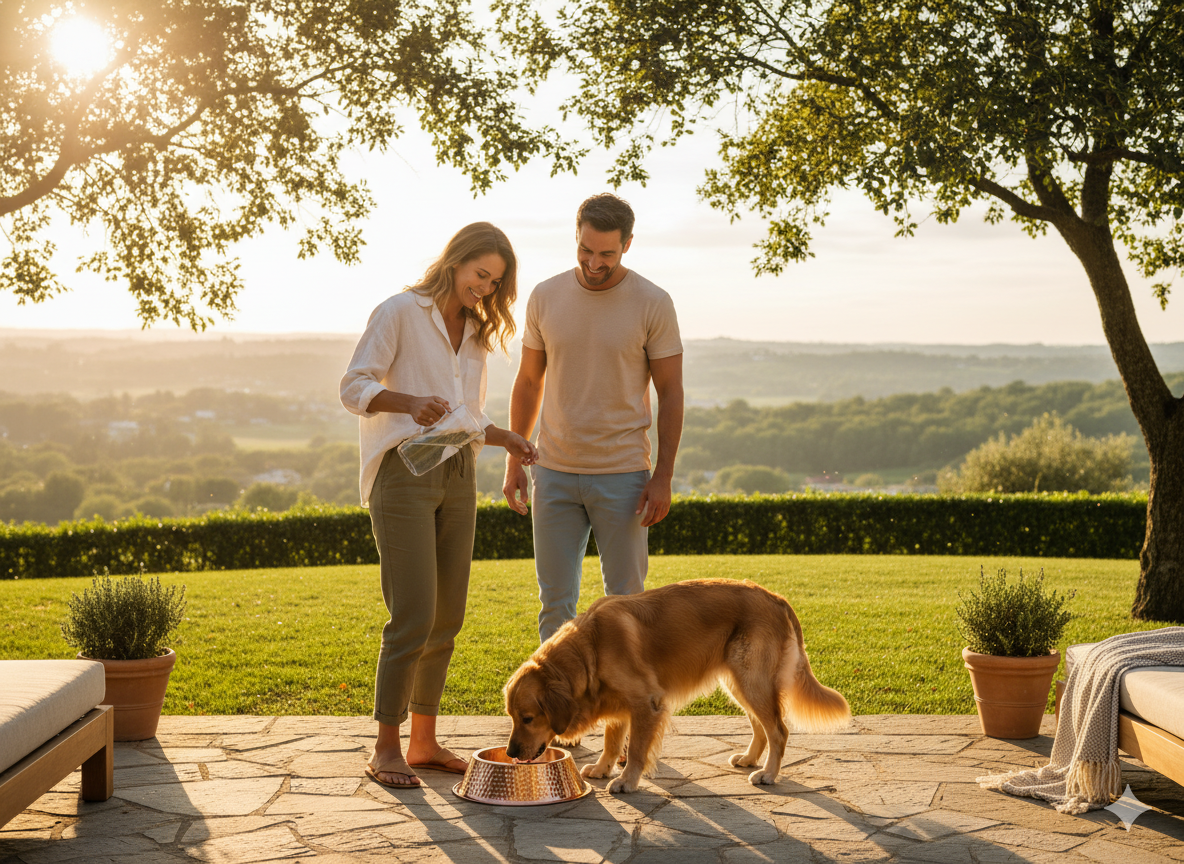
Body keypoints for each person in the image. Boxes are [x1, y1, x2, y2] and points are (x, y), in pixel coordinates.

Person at [340, 222, 538, 788]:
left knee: (447, 615)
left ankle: (423, 743)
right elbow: (353, 386)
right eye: (480, 275)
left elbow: (464, 419)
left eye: (495, 282)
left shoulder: (475, 331)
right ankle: (386, 747)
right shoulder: (400, 311)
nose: (484, 289)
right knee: (412, 615)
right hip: (402, 471)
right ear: (455, 261)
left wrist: (508, 440)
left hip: (457, 472)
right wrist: (407, 401)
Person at [502, 193, 684, 643]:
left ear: (627, 244)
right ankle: (554, 710)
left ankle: (624, 713)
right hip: (554, 471)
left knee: (627, 606)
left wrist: (662, 476)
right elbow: (528, 382)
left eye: (607, 253)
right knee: (555, 605)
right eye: (586, 249)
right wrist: (514, 462)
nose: (594, 262)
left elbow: (671, 392)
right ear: (577, 236)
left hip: (623, 475)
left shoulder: (652, 302)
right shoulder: (545, 296)